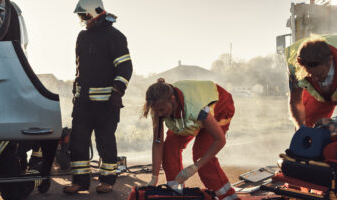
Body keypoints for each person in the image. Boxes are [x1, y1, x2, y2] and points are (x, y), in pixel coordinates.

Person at [63, 0, 133, 194]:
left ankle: (107, 180)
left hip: (106, 104)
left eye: (84, 15)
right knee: (78, 142)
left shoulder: (115, 36)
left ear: (96, 12)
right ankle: (80, 182)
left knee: (105, 142)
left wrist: (117, 91)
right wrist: (76, 92)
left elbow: (125, 67)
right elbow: (80, 69)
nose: (82, 19)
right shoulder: (83, 36)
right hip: (83, 103)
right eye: (81, 16)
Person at [142, 79, 238, 200]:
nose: (159, 114)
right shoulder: (158, 107)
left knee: (201, 152)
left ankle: (228, 197)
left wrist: (195, 167)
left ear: (172, 99)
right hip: (189, 114)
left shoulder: (196, 108)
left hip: (220, 106)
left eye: (161, 110)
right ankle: (176, 193)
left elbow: (220, 140)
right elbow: (157, 142)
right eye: (156, 111)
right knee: (169, 148)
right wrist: (154, 177)